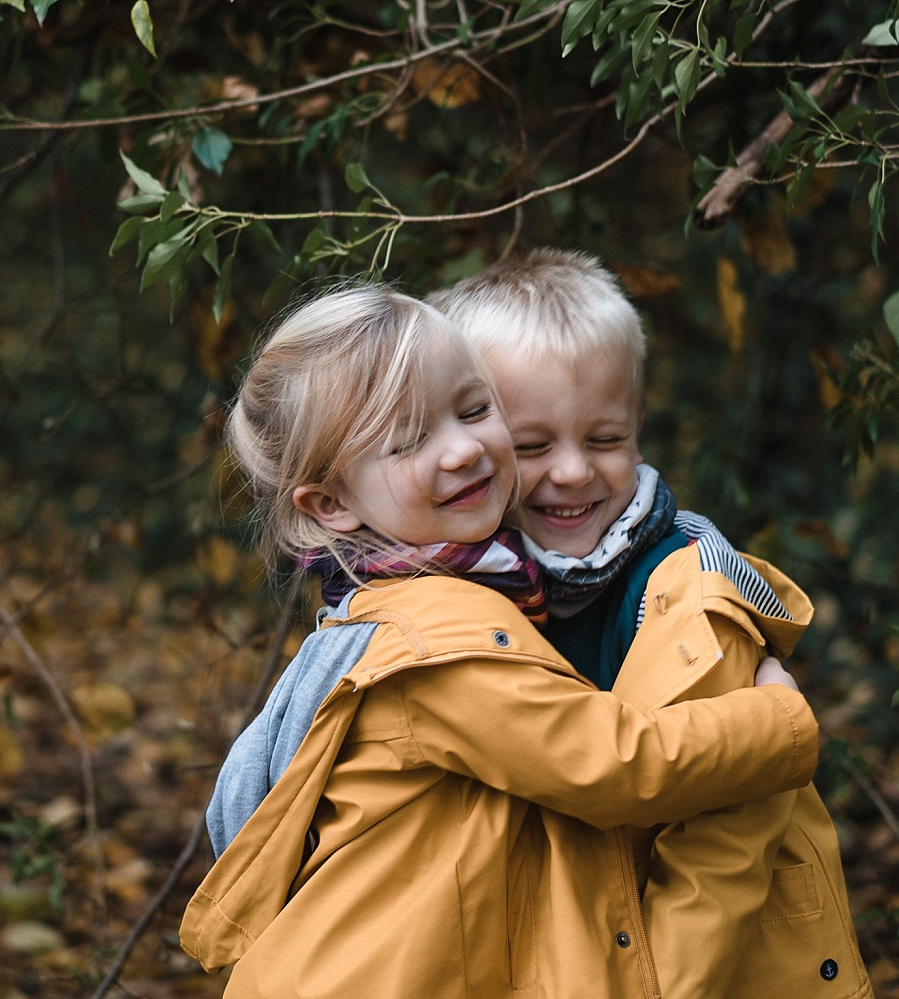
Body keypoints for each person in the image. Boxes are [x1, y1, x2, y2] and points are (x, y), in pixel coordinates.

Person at [180, 284, 822, 999]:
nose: (463, 449)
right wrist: (780, 720)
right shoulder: (437, 644)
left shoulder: (401, 605)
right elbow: (612, 764)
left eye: (475, 410)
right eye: (409, 439)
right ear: (332, 503)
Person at [429, 249, 873, 999]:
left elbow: (720, 859)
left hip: (717, 965)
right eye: (533, 446)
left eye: (606, 440)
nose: (573, 472)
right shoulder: (459, 591)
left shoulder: (691, 588)